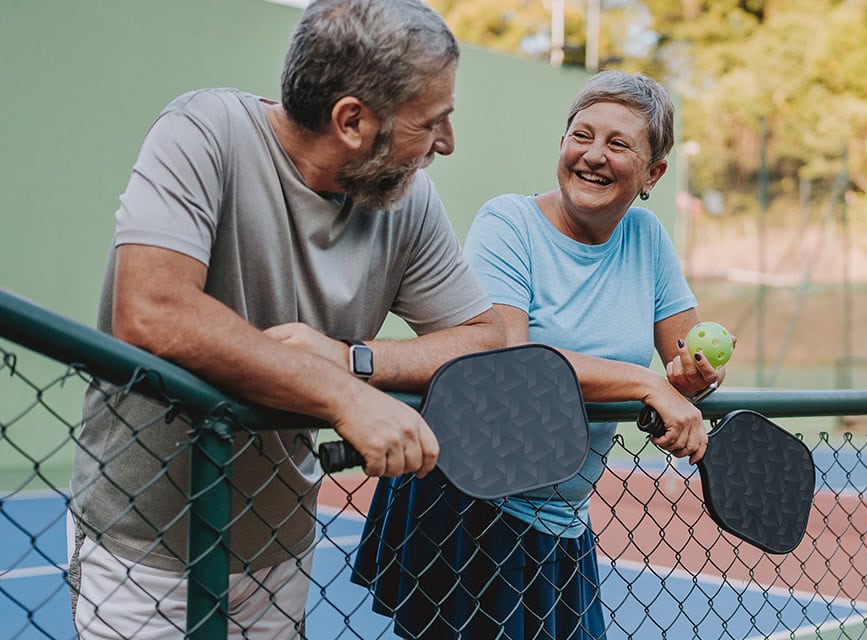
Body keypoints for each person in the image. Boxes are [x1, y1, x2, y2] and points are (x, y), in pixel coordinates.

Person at [67, 2, 503, 637]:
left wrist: (352, 359)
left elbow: (492, 337)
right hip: (140, 553)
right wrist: (342, 396)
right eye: (431, 123)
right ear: (352, 121)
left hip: (278, 552)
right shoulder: (204, 130)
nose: (446, 144)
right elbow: (153, 309)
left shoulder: (409, 200)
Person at [350, 71, 720, 639]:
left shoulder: (646, 237)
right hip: (470, 497)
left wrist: (692, 377)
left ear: (653, 173)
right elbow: (512, 362)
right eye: (581, 135)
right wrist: (646, 384)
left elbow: (684, 355)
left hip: (563, 513)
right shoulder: (509, 223)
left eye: (618, 144)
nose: (592, 155)